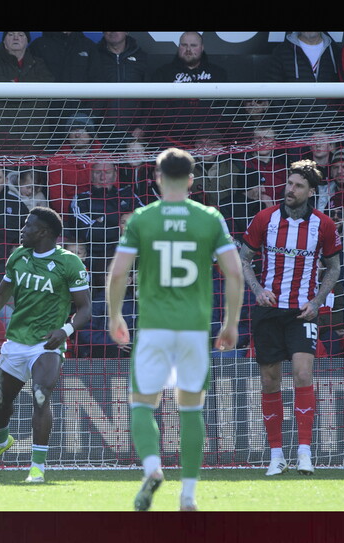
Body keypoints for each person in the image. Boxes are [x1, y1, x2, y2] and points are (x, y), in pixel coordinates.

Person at [106, 147, 243, 512]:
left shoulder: (142, 218)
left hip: (152, 328)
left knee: (141, 403)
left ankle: (152, 469)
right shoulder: (210, 218)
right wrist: (230, 323)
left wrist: (115, 315)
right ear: (192, 180)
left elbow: (119, 272)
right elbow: (234, 272)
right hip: (195, 330)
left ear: (157, 178)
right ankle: (188, 496)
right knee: (191, 409)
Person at [0, 207, 92, 484]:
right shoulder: (18, 256)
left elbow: (85, 309)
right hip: (16, 341)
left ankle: (37, 469)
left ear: (43, 232)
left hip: (47, 344)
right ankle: (0, 441)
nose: (23, 230)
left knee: (41, 395)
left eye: (28, 226)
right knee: (2, 402)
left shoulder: (70, 263)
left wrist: (65, 330)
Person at [239, 159, 341, 477]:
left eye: (297, 186)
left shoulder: (323, 225)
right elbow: (244, 258)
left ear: (311, 191)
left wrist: (318, 300)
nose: (290, 190)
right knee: (270, 380)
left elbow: (334, 267)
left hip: (303, 311)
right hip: (268, 310)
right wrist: (256, 289)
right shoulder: (264, 219)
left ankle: (305, 453)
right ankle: (276, 455)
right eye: (288, 183)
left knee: (302, 373)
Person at [69, 161, 144, 259]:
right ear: (91, 176)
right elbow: (88, 233)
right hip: (93, 256)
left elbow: (146, 221)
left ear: (115, 175)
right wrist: (121, 222)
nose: (102, 177)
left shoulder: (128, 195)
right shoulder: (81, 199)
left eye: (107, 172)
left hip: (128, 252)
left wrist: (102, 220)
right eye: (98, 172)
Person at [90, 31, 151, 140]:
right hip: (99, 134)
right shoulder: (93, 55)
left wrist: (143, 126)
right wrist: (90, 127)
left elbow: (150, 99)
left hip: (133, 133)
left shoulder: (141, 57)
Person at [46, 113, 104, 215]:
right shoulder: (57, 160)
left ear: (90, 134)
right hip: (69, 218)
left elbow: (112, 191)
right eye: (73, 130)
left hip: (101, 215)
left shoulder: (104, 158)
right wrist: (74, 218)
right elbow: (56, 198)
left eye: (82, 130)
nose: (77, 135)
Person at [151, 31, 228, 83]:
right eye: (184, 45)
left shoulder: (218, 74)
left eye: (193, 45)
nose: (188, 49)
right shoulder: (162, 74)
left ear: (202, 48)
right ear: (179, 47)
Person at [264, 32, 341, 82]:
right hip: (295, 107)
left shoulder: (335, 51)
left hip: (329, 107)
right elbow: (273, 90)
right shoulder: (282, 51)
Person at [27, 31, 99, 83]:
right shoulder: (38, 45)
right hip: (47, 102)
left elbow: (97, 79)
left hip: (79, 103)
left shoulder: (89, 46)